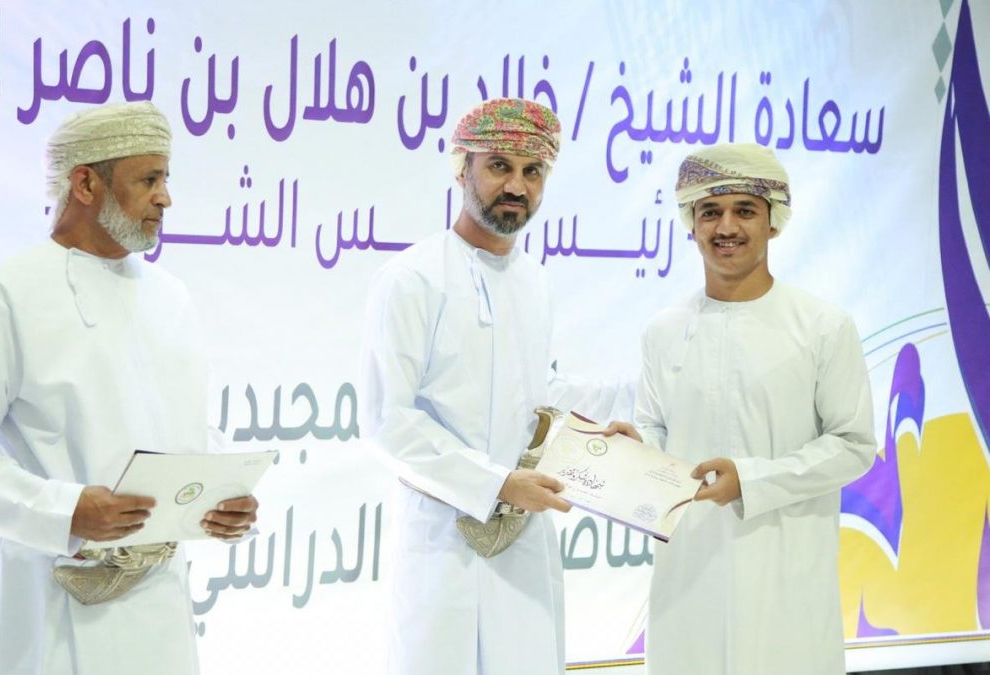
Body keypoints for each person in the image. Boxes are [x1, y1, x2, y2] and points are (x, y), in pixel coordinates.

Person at [0, 101, 257, 675]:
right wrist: (63, 512)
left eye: (166, 179)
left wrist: (222, 495)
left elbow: (187, 430)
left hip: (162, 606)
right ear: (86, 184)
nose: (166, 198)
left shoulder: (171, 297)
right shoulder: (5, 293)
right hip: (52, 604)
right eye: (149, 180)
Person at [360, 97, 632, 675]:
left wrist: (600, 434)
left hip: (523, 543)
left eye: (533, 172)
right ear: (462, 170)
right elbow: (388, 420)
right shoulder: (411, 278)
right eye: (500, 166)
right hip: (442, 542)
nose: (516, 186)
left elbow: (536, 393)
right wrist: (497, 483)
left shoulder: (534, 281)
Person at [608, 143, 876, 674]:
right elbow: (654, 426)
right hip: (689, 577)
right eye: (710, 211)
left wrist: (750, 481)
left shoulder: (822, 327)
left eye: (744, 210)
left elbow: (854, 445)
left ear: (773, 222)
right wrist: (636, 455)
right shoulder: (664, 330)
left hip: (785, 576)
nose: (726, 227)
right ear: (691, 224)